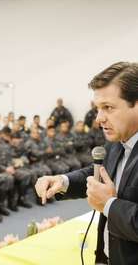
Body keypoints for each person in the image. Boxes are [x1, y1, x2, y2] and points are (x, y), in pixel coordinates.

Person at [35, 62, 138, 265]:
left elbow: (108, 200)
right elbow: (97, 174)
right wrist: (62, 180)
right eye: (98, 109)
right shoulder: (118, 142)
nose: (99, 119)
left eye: (108, 108)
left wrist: (109, 204)